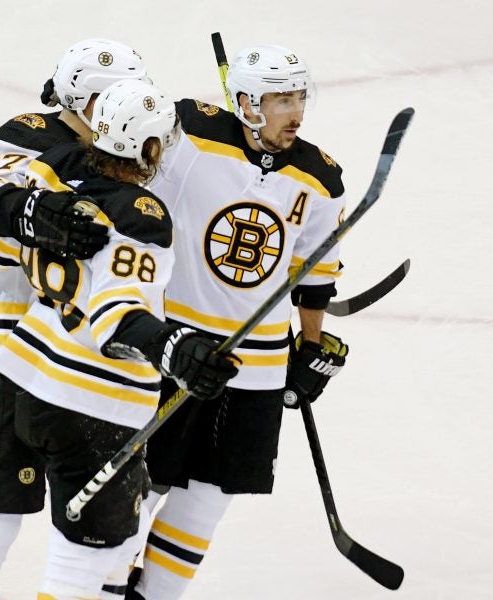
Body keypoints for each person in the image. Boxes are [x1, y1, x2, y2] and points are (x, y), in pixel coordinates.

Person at [0, 77, 240, 600]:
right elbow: (116, 311)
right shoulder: (141, 217)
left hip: (28, 383)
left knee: (78, 547)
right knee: (88, 558)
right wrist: (173, 348)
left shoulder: (53, 170)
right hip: (94, 404)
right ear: (147, 148)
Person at [125, 44, 350, 600]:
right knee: (139, 488)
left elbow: (315, 273)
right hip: (175, 349)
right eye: (280, 99)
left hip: (257, 366)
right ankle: (103, 588)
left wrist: (310, 348)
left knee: (208, 498)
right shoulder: (188, 135)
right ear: (247, 102)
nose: (295, 111)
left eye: (299, 96)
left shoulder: (319, 177)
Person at [0, 38, 152, 600]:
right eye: (104, 96)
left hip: (93, 363)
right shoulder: (32, 134)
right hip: (9, 348)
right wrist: (29, 216)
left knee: (110, 529)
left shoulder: (132, 153)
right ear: (76, 100)